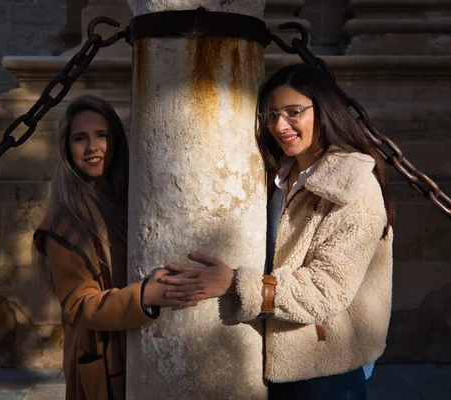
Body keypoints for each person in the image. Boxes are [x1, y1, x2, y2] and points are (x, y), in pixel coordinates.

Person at [163, 64, 395, 399]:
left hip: (325, 368)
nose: (279, 125)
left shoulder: (354, 186)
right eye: (271, 114)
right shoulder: (274, 175)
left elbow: (326, 289)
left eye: (293, 112)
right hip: (272, 358)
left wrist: (233, 283)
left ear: (323, 110)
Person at [33, 95, 203, 400]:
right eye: (80, 139)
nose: (92, 148)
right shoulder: (62, 222)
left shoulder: (131, 198)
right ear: (67, 148)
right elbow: (79, 306)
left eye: (102, 136)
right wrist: (145, 296)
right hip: (102, 355)